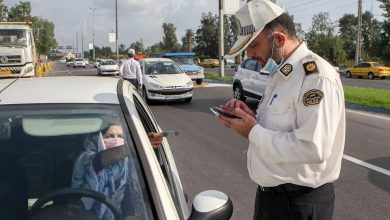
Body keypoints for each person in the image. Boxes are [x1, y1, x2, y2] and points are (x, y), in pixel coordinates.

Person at [217, 1, 346, 220]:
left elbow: (312, 148)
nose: (249, 54)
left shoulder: (315, 77)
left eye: (254, 45)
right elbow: (279, 125)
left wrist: (252, 131)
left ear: (278, 39)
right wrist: (250, 117)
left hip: (298, 204)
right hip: (273, 199)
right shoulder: (283, 72)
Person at [72, 123, 163, 219]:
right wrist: (139, 144)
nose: (116, 140)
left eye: (120, 136)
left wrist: (129, 215)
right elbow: (99, 161)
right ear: (96, 138)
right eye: (110, 136)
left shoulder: (126, 161)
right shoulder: (85, 158)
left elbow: (131, 192)